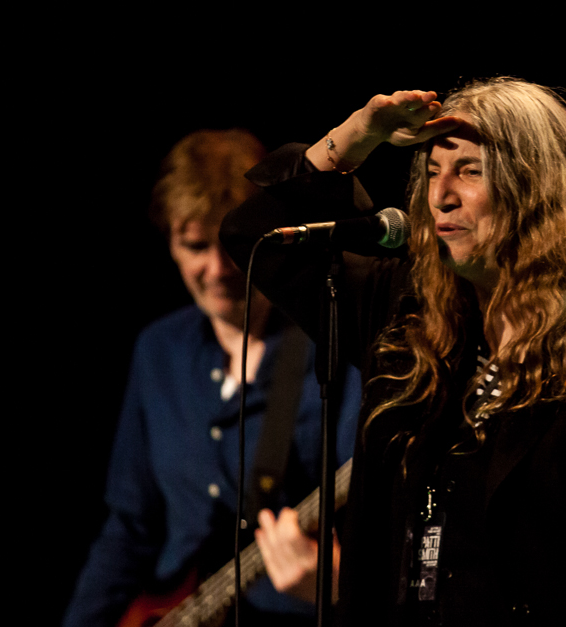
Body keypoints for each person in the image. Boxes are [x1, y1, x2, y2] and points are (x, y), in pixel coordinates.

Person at [220, 79, 566, 626]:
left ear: (534, 187)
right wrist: (354, 137)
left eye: (470, 170)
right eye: (430, 172)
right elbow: (252, 232)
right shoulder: (404, 317)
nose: (441, 195)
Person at [62, 129, 361, 627]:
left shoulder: (331, 343)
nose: (218, 269)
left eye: (231, 244)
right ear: (170, 241)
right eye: (195, 245)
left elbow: (385, 527)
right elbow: (130, 529)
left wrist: (336, 586)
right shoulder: (159, 350)